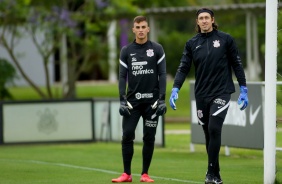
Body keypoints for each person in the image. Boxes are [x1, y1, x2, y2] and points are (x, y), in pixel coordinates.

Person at [169, 8, 248, 184]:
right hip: (202, 94)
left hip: (222, 91)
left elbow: (237, 64)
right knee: (207, 134)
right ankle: (216, 173)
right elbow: (183, 67)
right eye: (200, 18)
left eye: (207, 18)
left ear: (212, 20)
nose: (204, 21)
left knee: (214, 128)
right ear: (197, 22)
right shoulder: (191, 44)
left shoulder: (225, 39)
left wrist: (243, 88)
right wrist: (175, 88)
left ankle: (210, 173)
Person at [112, 15, 167, 183]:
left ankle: (145, 174)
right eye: (138, 27)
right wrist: (122, 99)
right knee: (127, 135)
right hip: (132, 103)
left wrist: (162, 99)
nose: (141, 30)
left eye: (144, 27)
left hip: (152, 103)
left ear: (148, 29)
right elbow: (122, 77)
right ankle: (126, 174)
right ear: (133, 29)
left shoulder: (157, 49)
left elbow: (162, 74)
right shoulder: (126, 50)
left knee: (149, 137)